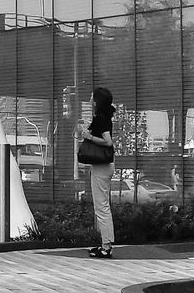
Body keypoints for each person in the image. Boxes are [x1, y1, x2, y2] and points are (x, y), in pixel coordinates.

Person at [80, 85, 116, 258]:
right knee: (102, 206)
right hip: (102, 166)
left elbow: (108, 142)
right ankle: (104, 244)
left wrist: (89, 137)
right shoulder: (102, 117)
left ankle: (106, 247)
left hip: (101, 168)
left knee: (101, 207)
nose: (89, 99)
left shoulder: (101, 118)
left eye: (91, 96)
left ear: (96, 101)